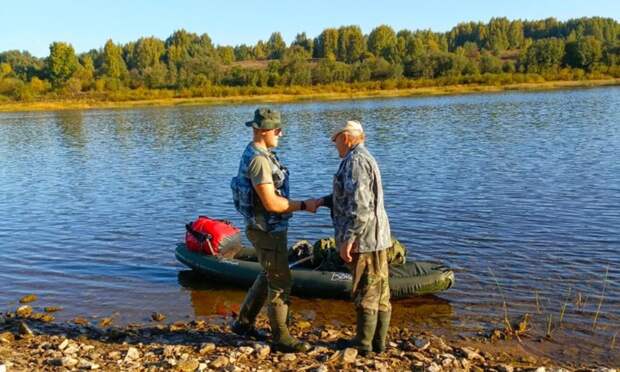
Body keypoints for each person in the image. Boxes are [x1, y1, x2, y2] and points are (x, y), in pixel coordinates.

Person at [230, 108, 318, 353]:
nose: (281, 133)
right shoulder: (258, 160)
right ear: (265, 130)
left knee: (269, 274)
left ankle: (244, 322)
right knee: (280, 281)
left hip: (265, 228)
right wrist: (304, 206)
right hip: (267, 230)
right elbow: (271, 203)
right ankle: (281, 337)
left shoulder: (261, 153)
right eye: (278, 130)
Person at [319, 120, 392, 355]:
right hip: (378, 237)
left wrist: (349, 239)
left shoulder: (355, 161)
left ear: (348, 138)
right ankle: (378, 344)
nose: (334, 144)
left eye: (336, 139)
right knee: (380, 293)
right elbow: (350, 196)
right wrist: (323, 201)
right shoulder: (363, 157)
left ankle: (363, 345)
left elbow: (361, 206)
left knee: (366, 292)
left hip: (365, 240)